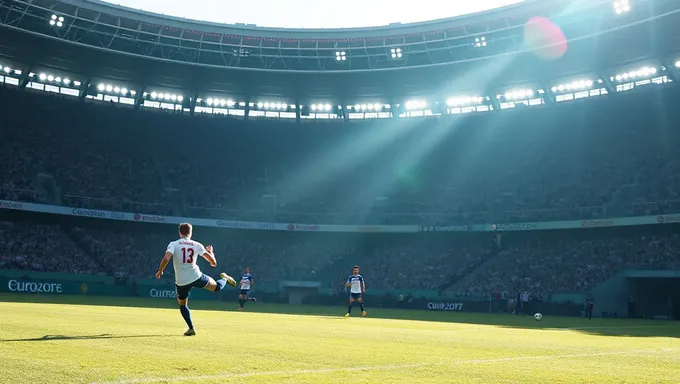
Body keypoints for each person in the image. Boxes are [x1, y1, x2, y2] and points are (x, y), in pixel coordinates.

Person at [155, 222, 235, 336]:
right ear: (190, 233)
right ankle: (225, 278)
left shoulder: (174, 244)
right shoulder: (197, 245)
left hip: (181, 281)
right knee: (217, 287)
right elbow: (213, 263)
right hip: (196, 276)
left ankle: (191, 328)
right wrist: (211, 252)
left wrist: (160, 270)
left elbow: (166, 258)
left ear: (179, 232)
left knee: (182, 304)